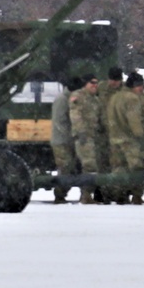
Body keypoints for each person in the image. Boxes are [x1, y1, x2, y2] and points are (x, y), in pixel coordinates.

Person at [105, 72, 144, 205]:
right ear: (133, 85)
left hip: (115, 139)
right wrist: (142, 136)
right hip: (130, 141)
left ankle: (120, 195)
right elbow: (134, 121)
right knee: (136, 168)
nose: (142, 89)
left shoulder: (115, 97)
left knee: (118, 168)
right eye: (140, 86)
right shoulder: (132, 98)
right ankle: (137, 196)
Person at [68, 73, 102, 204]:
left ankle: (88, 194)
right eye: (92, 83)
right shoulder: (78, 96)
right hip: (84, 137)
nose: (94, 85)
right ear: (86, 84)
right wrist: (81, 132)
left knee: (94, 166)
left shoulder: (95, 100)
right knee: (89, 165)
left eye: (96, 83)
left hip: (94, 137)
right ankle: (86, 195)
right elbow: (75, 115)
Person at [50, 76, 84, 204]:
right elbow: (60, 122)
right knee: (65, 167)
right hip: (61, 141)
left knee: (70, 167)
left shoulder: (70, 98)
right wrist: (72, 135)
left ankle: (62, 194)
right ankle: (59, 195)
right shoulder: (62, 100)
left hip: (68, 140)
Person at [93, 66, 124, 203]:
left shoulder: (125, 91)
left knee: (117, 164)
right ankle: (101, 193)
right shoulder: (101, 88)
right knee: (102, 163)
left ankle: (117, 193)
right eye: (111, 80)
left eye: (116, 81)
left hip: (119, 133)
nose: (113, 83)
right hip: (102, 133)